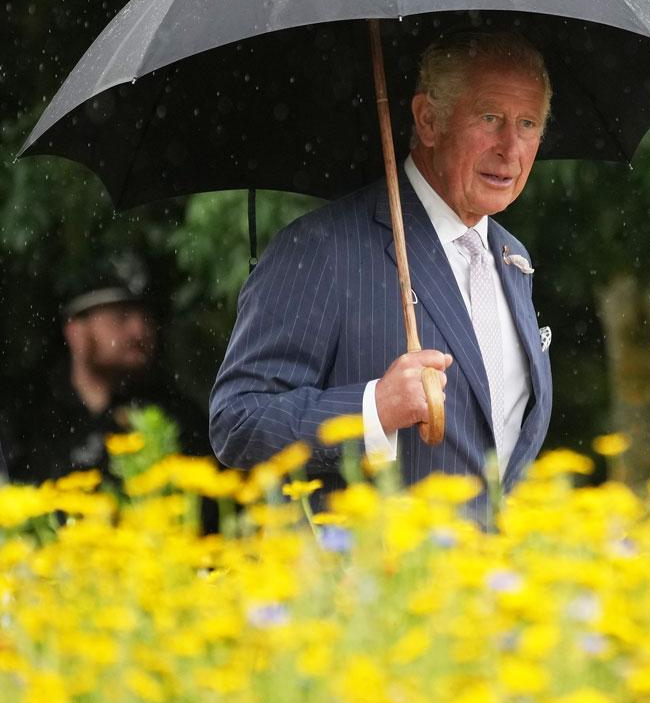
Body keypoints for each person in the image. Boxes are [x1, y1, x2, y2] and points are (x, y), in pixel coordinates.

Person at [210, 32, 554, 495]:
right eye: (490, 117)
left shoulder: (514, 260)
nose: (510, 149)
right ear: (428, 120)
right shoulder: (319, 248)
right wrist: (374, 409)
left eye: (528, 124)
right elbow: (238, 422)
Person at [6, 264, 212, 483]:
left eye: (147, 318)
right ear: (76, 330)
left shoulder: (176, 414)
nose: (139, 331)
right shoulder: (29, 413)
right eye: (121, 318)